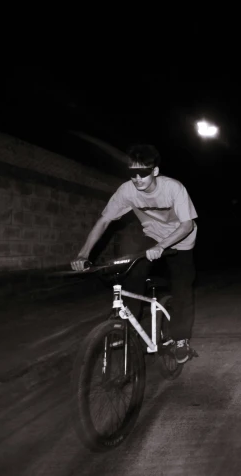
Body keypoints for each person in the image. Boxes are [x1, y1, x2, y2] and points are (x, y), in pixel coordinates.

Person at [71, 144, 199, 364]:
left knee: (182, 287)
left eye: (143, 173)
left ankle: (181, 340)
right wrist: (83, 254)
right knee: (132, 272)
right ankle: (126, 329)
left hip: (181, 241)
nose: (137, 178)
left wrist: (162, 246)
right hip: (152, 237)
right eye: (132, 173)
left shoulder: (173, 188)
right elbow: (104, 222)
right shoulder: (126, 191)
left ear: (155, 171)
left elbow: (187, 225)